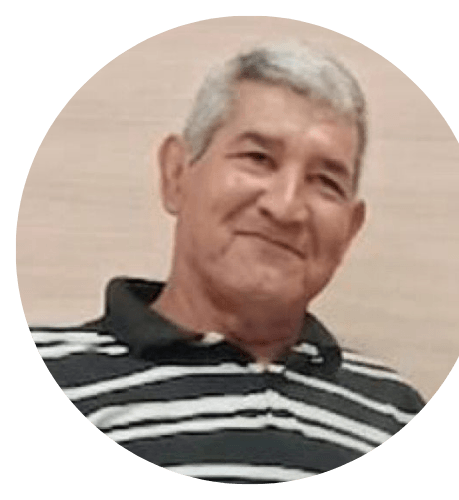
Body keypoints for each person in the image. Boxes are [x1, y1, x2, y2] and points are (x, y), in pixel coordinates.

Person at [29, 39, 426, 484]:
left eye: (325, 182)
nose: (286, 207)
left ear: (350, 230)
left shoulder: (394, 413)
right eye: (258, 158)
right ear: (176, 175)